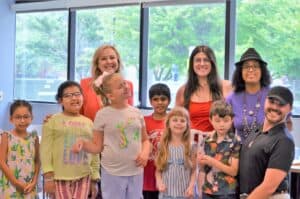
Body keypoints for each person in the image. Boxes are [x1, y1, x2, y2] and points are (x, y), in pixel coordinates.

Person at [72, 73, 151, 199]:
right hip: (112, 172)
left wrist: (145, 153)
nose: (126, 87)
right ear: (110, 95)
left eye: (125, 83)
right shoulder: (102, 115)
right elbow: (97, 147)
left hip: (136, 171)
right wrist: (83, 144)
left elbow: (145, 140)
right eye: (120, 86)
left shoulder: (136, 113)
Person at [40, 81, 100, 199]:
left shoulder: (89, 123)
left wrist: (94, 178)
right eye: (68, 95)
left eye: (77, 94)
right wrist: (48, 178)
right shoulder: (52, 121)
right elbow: (45, 151)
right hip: (59, 178)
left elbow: (94, 151)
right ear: (60, 100)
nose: (74, 98)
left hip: (84, 177)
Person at [239, 86, 295, 199]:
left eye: (281, 104)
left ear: (290, 108)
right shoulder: (256, 131)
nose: (274, 107)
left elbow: (269, 187)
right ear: (264, 101)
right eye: (272, 102)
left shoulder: (284, 141)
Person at [176, 45, 232, 138]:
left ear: (212, 63)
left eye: (206, 60)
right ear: (192, 64)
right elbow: (176, 123)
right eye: (198, 60)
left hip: (220, 146)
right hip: (191, 146)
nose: (202, 64)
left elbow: (235, 119)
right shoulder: (183, 91)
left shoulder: (226, 87)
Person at [226, 48, 272, 142]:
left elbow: (285, 127)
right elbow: (226, 131)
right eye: (246, 67)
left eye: (255, 66)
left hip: (267, 152)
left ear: (262, 71)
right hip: (238, 152)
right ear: (240, 72)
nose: (251, 70)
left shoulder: (273, 96)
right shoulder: (231, 98)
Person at [198, 100, 241, 199]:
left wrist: (212, 161)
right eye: (217, 121)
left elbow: (233, 171)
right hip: (207, 190)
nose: (221, 124)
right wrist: (200, 161)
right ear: (210, 120)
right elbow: (202, 169)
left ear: (232, 120)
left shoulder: (235, 141)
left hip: (227, 191)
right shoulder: (206, 140)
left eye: (226, 120)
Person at [80, 44, 134, 121]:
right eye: (103, 59)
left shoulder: (128, 85)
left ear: (118, 61)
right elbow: (79, 115)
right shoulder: (85, 84)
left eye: (112, 58)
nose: (109, 61)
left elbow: (130, 115)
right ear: (97, 64)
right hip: (92, 131)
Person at [0, 100, 40, 198]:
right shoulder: (6, 136)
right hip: (10, 186)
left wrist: (34, 181)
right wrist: (16, 183)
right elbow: (2, 162)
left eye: (26, 117)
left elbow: (37, 161)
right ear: (11, 119)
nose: (22, 120)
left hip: (29, 186)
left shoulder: (34, 137)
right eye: (18, 117)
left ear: (32, 118)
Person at [155, 106, 197, 199]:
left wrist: (191, 187)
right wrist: (159, 182)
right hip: (166, 194)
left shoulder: (192, 146)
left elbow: (194, 171)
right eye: (175, 120)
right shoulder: (162, 145)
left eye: (182, 121)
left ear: (187, 125)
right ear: (168, 124)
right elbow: (158, 171)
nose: (179, 123)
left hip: (185, 195)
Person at [143, 83, 171, 199]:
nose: (159, 102)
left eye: (163, 99)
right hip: (148, 174)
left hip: (168, 173)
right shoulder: (143, 121)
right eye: (155, 99)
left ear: (169, 100)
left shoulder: (175, 121)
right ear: (150, 101)